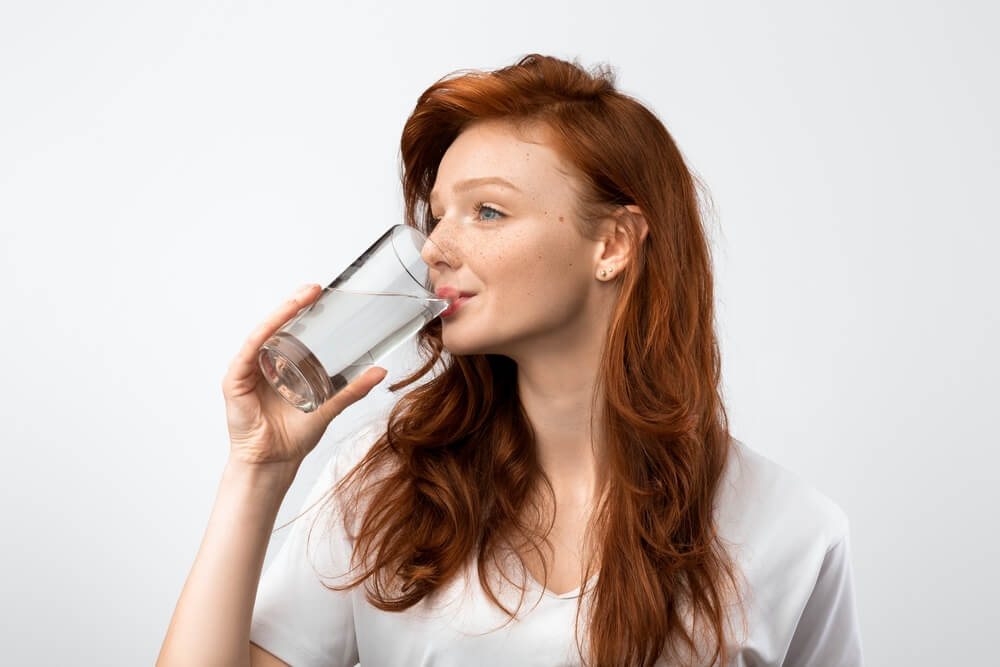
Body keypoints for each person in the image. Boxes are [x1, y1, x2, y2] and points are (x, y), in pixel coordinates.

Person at [157, 54, 864, 667]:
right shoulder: (382, 488)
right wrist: (258, 469)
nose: (434, 248)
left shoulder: (793, 532)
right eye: (437, 214)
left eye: (487, 212)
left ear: (613, 244)